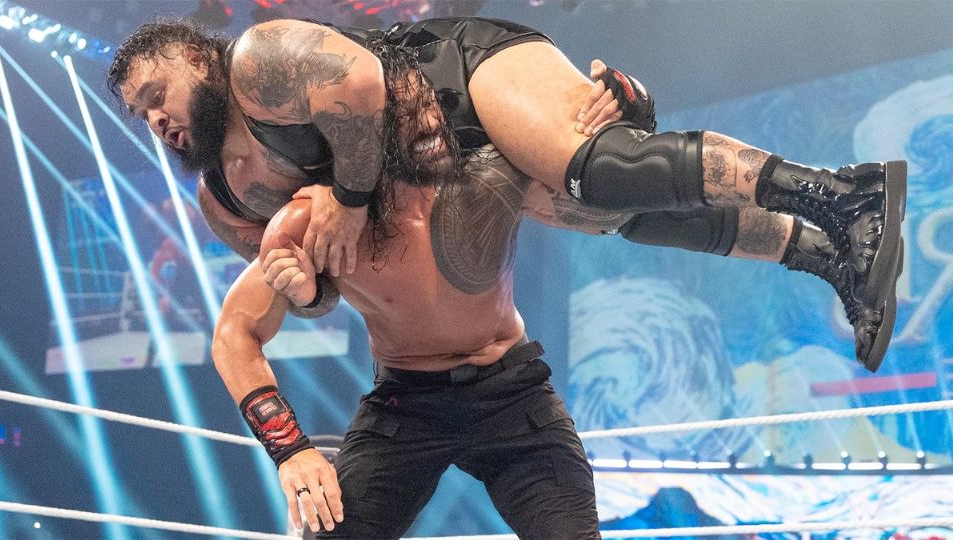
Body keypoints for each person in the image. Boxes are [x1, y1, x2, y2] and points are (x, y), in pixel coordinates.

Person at [109, 18, 903, 372]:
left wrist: (347, 201)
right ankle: (826, 255)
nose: (155, 120)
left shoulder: (257, 61)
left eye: (154, 95)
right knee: (620, 216)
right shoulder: (227, 201)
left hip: (456, 70)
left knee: (586, 164)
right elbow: (320, 291)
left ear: (194, 60)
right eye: (140, 116)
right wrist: (305, 287)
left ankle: (843, 194)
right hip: (449, 163)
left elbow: (363, 83)